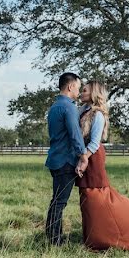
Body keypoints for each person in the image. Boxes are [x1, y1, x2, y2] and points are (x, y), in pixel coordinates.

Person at [76, 80, 129, 250]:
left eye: (85, 90)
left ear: (94, 93)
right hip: (84, 156)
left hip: (92, 157)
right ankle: (91, 238)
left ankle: (128, 226)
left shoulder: (98, 115)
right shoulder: (83, 110)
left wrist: (83, 158)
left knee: (96, 197)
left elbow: (95, 142)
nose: (81, 92)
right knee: (87, 198)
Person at [45, 72, 89, 246]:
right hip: (65, 160)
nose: (78, 92)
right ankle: (55, 241)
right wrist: (83, 156)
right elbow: (75, 134)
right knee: (59, 202)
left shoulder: (54, 106)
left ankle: (53, 236)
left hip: (55, 158)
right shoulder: (69, 107)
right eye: (78, 88)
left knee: (56, 200)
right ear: (70, 87)